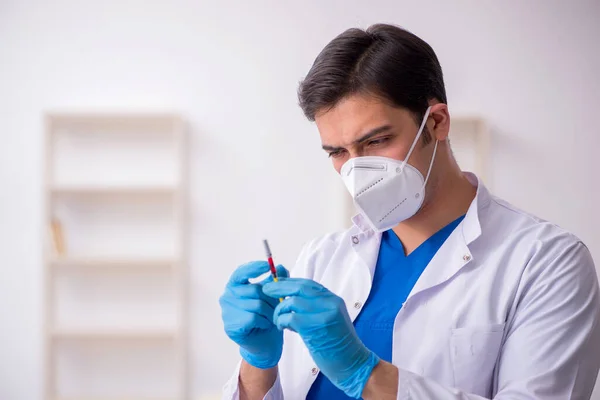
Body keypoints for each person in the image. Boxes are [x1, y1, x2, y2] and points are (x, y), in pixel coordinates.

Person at [219, 23, 600, 400]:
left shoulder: (547, 262)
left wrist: (363, 373)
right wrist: (257, 365)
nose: (356, 169)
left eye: (377, 141)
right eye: (337, 152)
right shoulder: (322, 259)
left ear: (436, 123)